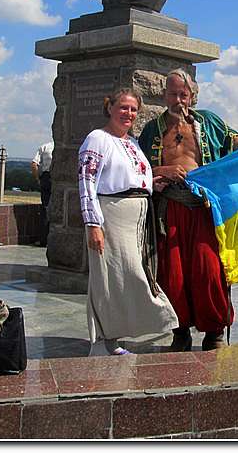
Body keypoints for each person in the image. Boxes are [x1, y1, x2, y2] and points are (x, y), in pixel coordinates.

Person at [138, 69, 238, 351]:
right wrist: (163, 170)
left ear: (192, 96)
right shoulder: (151, 130)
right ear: (164, 96)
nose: (178, 100)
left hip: (205, 207)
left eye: (183, 95)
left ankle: (214, 331)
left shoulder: (208, 122)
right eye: (173, 94)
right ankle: (180, 331)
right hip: (169, 209)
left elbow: (236, 142)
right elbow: (138, 168)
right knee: (173, 275)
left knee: (209, 270)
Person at [78, 87, 179, 356]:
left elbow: (134, 178)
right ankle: (103, 342)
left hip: (137, 219)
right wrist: (93, 224)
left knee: (123, 278)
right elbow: (86, 182)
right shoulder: (97, 139)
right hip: (112, 217)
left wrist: (153, 184)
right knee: (111, 278)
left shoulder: (131, 142)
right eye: (123, 107)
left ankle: (113, 339)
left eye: (134, 109)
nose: (129, 113)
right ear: (109, 107)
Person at [31, 140, 54, 246]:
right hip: (61, 179)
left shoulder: (45, 147)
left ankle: (44, 239)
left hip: (46, 178)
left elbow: (34, 164)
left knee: (45, 208)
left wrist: (38, 179)